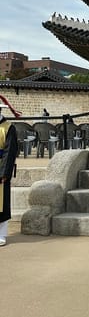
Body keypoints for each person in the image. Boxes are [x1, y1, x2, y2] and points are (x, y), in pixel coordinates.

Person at [0, 103, 18, 247]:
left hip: (0, 169)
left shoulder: (8, 128)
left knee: (1, 203)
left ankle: (1, 234)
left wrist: (5, 173)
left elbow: (10, 152)